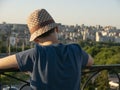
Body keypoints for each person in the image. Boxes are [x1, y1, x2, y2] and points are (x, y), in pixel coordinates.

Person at [0, 9, 94, 90]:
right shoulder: (75, 50)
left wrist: (25, 65)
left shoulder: (34, 54)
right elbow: (90, 62)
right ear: (56, 29)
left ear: (36, 39)